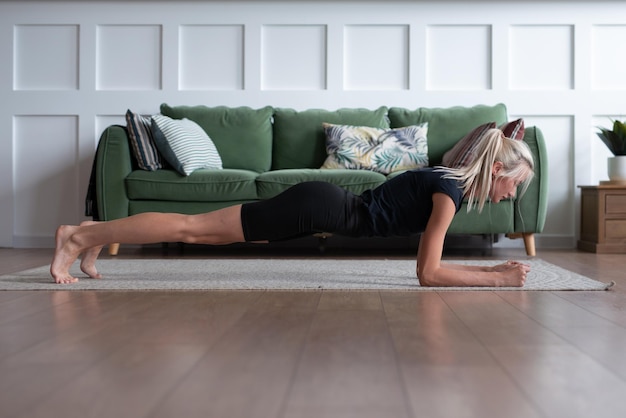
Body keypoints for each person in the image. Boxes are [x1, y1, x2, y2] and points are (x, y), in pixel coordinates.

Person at [51, 128, 534, 286]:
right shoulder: (447, 196)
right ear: (497, 172)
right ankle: (76, 237)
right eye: (514, 186)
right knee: (191, 228)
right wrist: (497, 277)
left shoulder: (446, 182)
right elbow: (428, 273)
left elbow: (432, 265)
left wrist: (492, 273)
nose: (511, 196)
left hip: (320, 207)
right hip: (316, 211)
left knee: (196, 229)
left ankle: (91, 234)